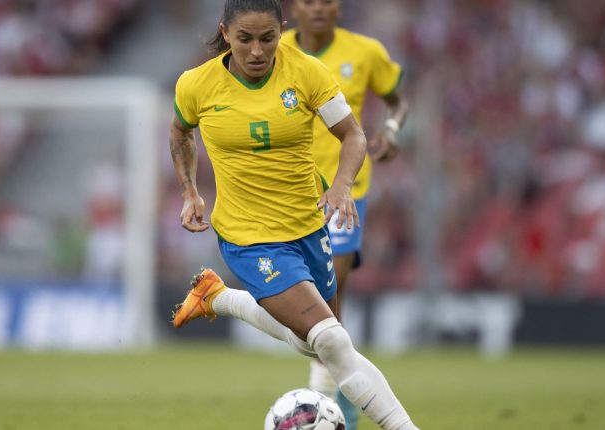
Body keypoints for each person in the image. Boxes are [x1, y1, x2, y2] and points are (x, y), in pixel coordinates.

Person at [168, 1, 418, 429]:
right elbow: (180, 133)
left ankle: (219, 297)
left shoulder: (306, 72)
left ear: (282, 31)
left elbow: (352, 134)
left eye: (268, 38)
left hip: (308, 227)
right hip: (248, 237)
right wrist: (190, 190)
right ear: (224, 33)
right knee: (332, 340)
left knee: (321, 344)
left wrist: (341, 186)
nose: (257, 51)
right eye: (245, 39)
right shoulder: (196, 85)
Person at [281, 1, 409, 428]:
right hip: (286, 189)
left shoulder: (366, 51)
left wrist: (391, 130)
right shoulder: (271, 50)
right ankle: (344, 380)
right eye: (308, 0)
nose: (318, 8)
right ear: (293, 8)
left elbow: (397, 103)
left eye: (327, 0)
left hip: (344, 190)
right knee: (304, 297)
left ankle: (326, 395)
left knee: (330, 292)